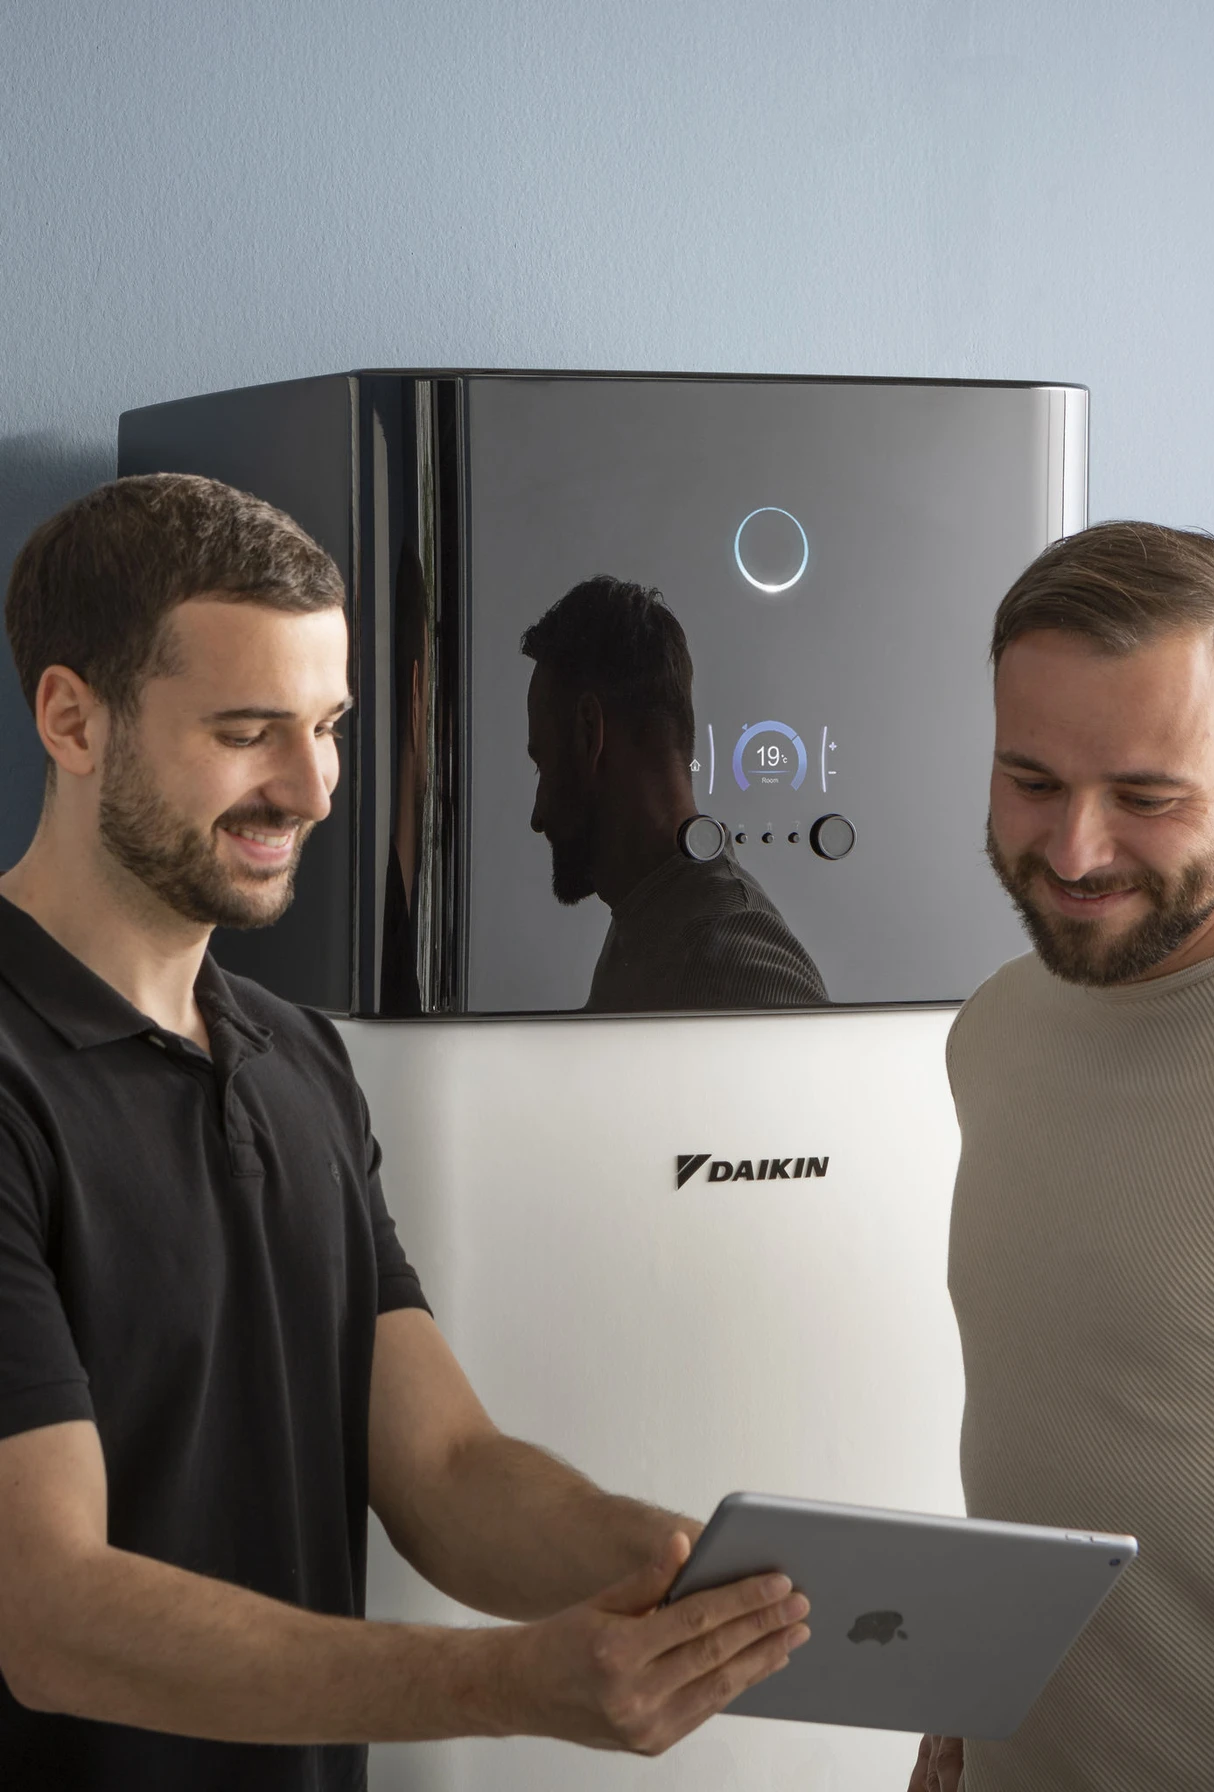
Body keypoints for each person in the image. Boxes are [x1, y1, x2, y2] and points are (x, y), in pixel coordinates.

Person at [0, 475, 811, 1791]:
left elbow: (441, 1467)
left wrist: (668, 1567)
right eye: (249, 731)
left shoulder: (299, 1062)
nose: (312, 788)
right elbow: (49, 1617)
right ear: (71, 717)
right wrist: (509, 1685)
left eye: (328, 727)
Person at [909, 519, 1214, 1791]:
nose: (1076, 849)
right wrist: (968, 1718)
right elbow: (1069, 1438)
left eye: (1146, 797)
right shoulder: (996, 1029)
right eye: (1030, 780)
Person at [521, 576, 828, 1010]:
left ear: (590, 733)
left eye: (543, 764)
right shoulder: (650, 918)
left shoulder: (730, 958)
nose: (537, 815)